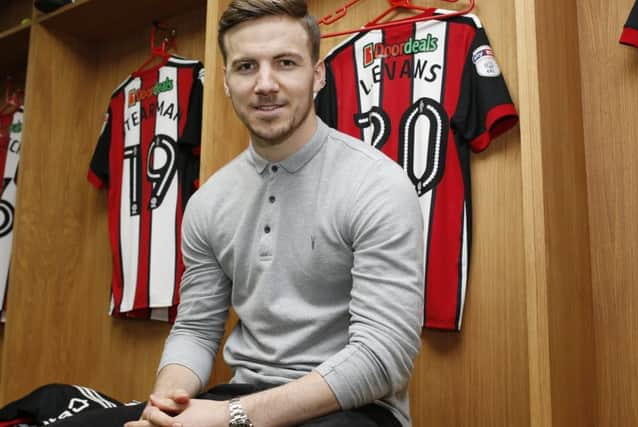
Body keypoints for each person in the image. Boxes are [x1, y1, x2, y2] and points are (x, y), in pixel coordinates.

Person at [57, 1, 424, 426]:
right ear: (226, 82)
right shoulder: (208, 202)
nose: (265, 84)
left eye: (285, 63)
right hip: (242, 394)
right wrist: (163, 409)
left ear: (318, 75)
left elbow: (383, 358)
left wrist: (232, 417)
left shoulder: (377, 184)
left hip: (353, 409)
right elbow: (195, 329)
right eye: (246, 67)